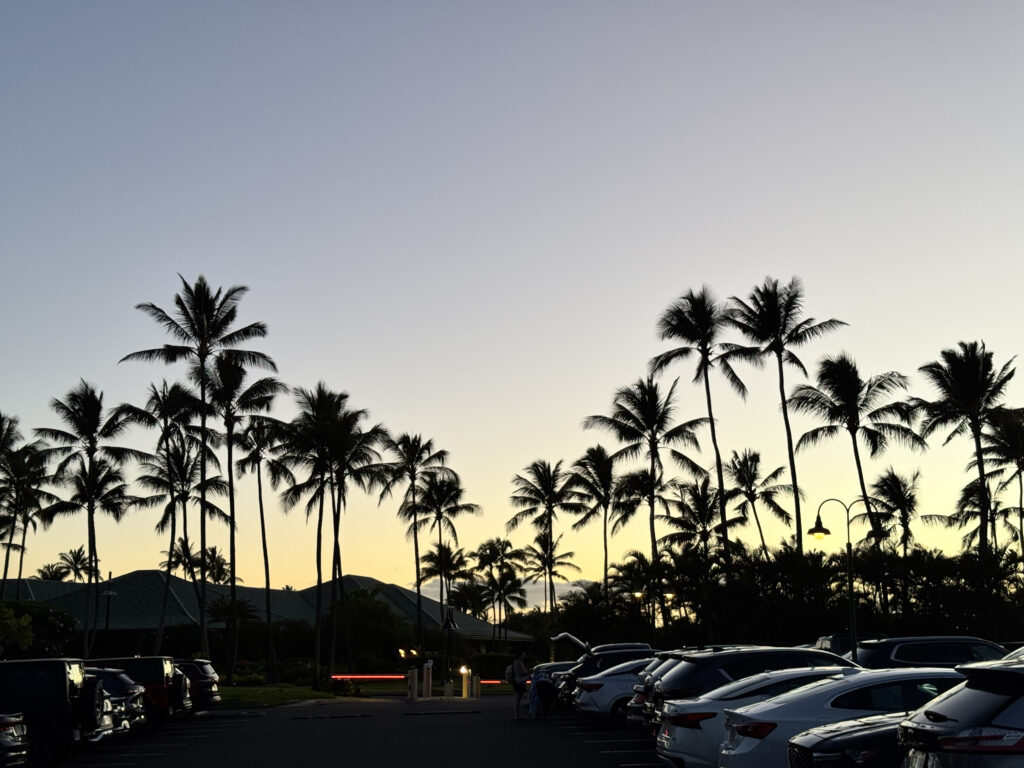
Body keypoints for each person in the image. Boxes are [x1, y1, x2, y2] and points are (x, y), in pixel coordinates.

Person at [512, 652, 529, 719]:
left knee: (519, 698)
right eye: (523, 655)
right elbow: (521, 672)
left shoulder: (517, 662)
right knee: (518, 698)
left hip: (518, 681)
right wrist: (527, 672)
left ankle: (517, 715)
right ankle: (516, 715)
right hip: (519, 682)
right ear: (520, 656)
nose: (524, 656)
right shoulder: (518, 662)